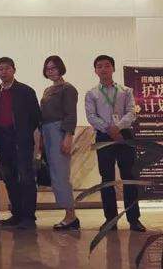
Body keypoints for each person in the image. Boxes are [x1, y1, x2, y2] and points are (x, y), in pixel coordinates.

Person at [85, 55, 146, 232]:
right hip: (103, 137)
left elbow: (131, 112)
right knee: (107, 179)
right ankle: (110, 220)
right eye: (99, 66)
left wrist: (117, 128)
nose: (103, 69)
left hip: (124, 135)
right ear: (95, 71)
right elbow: (91, 116)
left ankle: (134, 220)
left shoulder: (126, 91)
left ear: (113, 68)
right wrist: (108, 129)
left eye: (107, 65)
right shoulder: (92, 93)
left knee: (129, 177)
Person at [0, 57, 41, 230]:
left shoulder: (25, 91)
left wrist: (24, 133)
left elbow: (36, 117)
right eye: (1, 69)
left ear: (14, 70)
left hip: (22, 141)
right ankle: (17, 214)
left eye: (7, 68)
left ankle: (29, 217)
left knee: (26, 178)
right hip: (3, 141)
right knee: (9, 178)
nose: (4, 71)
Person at [40, 56, 80, 230]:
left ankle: (71, 216)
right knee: (55, 175)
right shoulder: (48, 90)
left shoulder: (68, 88)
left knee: (61, 174)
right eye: (48, 68)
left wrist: (68, 136)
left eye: (54, 68)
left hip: (59, 131)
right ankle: (68, 214)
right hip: (47, 131)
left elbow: (71, 114)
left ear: (61, 68)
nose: (51, 71)